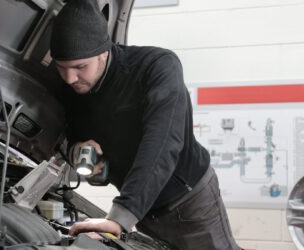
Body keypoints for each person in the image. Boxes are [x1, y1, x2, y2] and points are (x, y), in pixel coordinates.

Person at [50, 0, 240, 249]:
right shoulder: (71, 89)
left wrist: (122, 215)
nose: (69, 78)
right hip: (144, 212)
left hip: (191, 205)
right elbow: (70, 134)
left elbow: (162, 143)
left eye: (79, 67)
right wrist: (77, 151)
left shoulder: (156, 67)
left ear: (104, 52)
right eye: (61, 67)